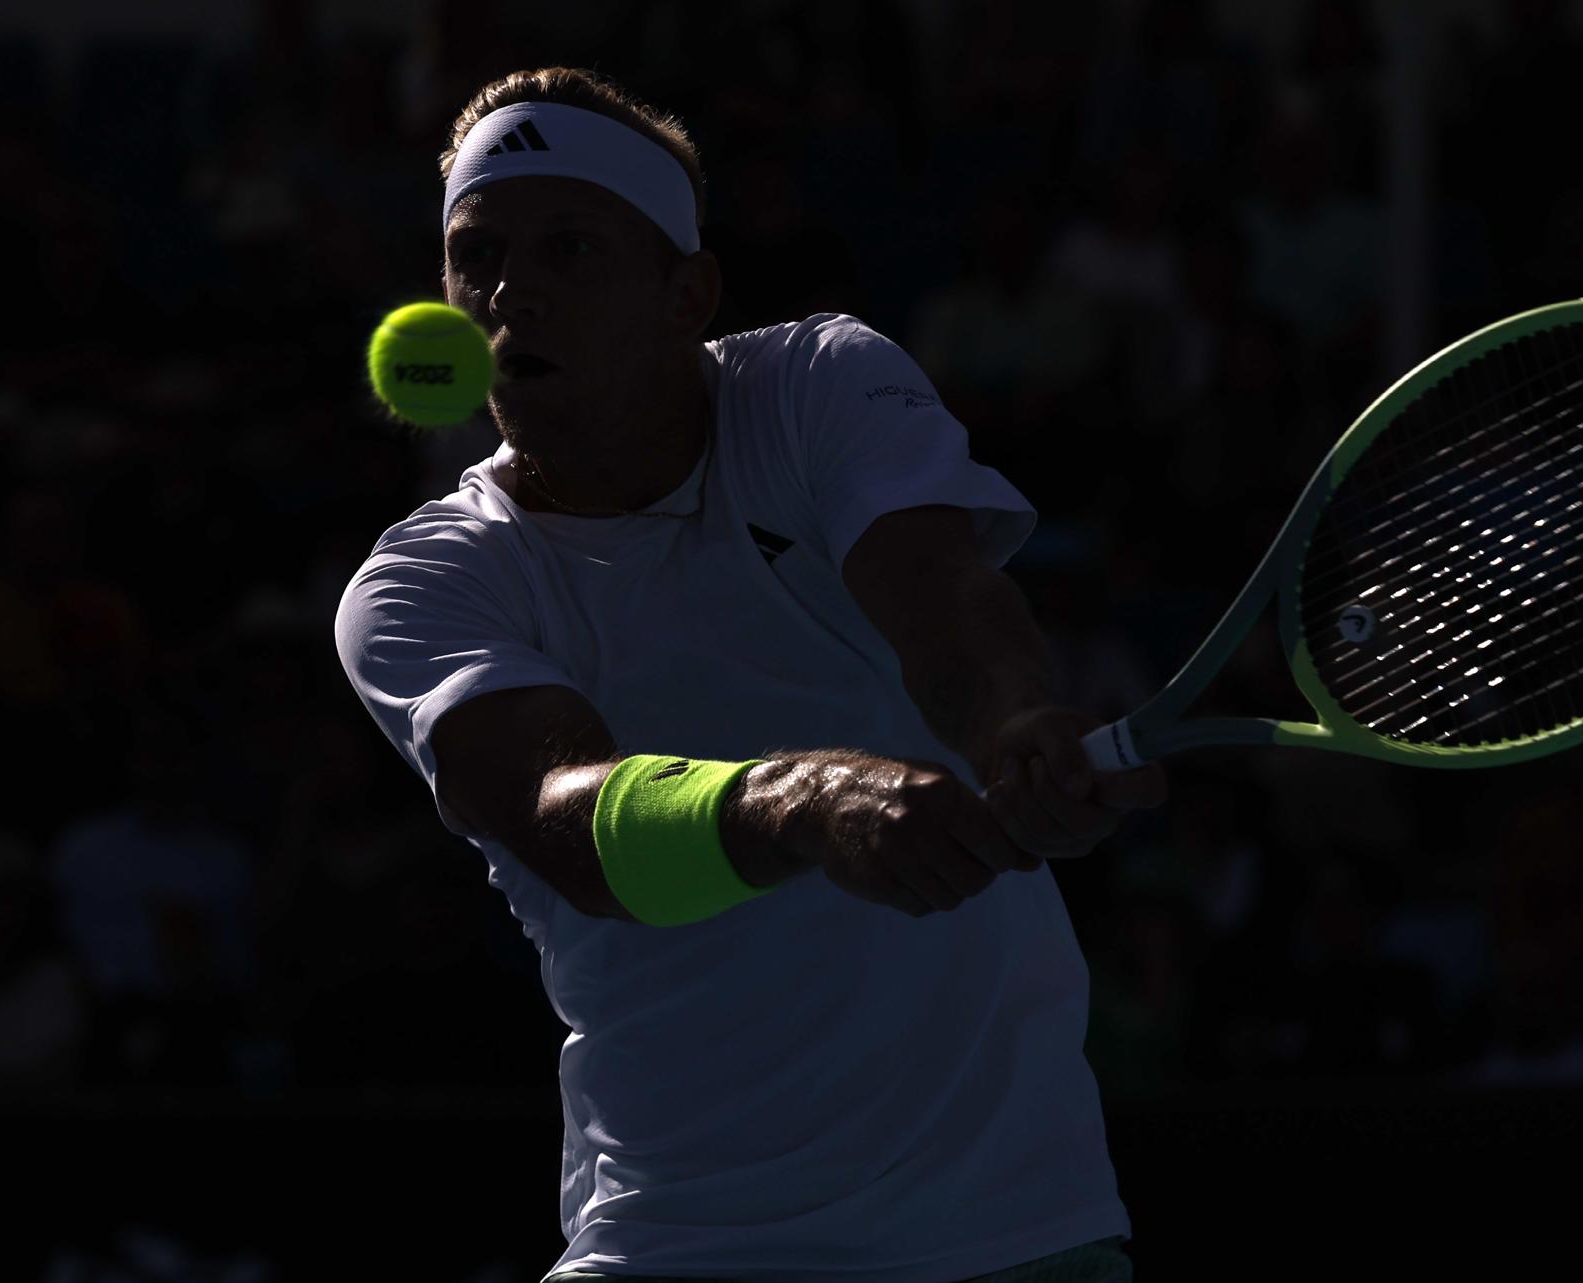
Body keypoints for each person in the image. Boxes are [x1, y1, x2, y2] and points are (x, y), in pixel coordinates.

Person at [334, 67, 1167, 1282]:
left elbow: (942, 600)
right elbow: (569, 819)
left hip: (1007, 1231)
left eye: (570, 249)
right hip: (675, 1237)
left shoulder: (819, 383)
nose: (512, 290)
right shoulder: (421, 586)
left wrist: (1015, 722)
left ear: (690, 292)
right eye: (478, 256)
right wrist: (807, 799)